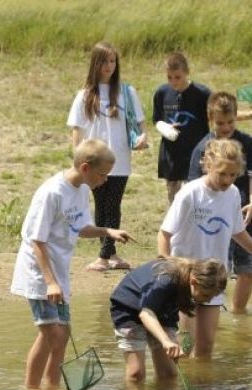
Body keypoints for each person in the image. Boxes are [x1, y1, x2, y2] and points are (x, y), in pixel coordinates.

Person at [10, 138, 135, 390]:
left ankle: (52, 388)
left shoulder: (81, 190)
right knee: (50, 334)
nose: (106, 180)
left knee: (63, 335)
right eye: (103, 174)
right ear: (86, 168)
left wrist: (107, 231)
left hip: (58, 272)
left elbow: (81, 228)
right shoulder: (52, 192)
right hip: (39, 273)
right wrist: (51, 282)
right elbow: (37, 241)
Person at [158, 138, 252, 358]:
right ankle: (179, 386)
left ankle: (204, 388)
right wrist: (168, 263)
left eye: (233, 175)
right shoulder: (190, 193)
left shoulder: (233, 193)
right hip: (187, 279)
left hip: (214, 279)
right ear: (208, 165)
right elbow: (165, 233)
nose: (227, 180)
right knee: (185, 347)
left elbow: (237, 231)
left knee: (206, 347)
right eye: (222, 173)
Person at [67, 41, 148, 272]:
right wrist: (77, 158)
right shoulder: (84, 95)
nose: (109, 66)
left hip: (119, 159)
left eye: (112, 61)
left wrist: (142, 138)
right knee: (101, 206)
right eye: (104, 61)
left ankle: (104, 256)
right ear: (95, 63)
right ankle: (109, 254)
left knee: (113, 205)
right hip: (93, 161)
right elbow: (77, 130)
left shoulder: (127, 92)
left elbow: (140, 124)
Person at [188, 91, 252, 314]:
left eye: (230, 122)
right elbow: (192, 186)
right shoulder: (204, 147)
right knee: (219, 271)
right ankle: (213, 311)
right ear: (211, 119)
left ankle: (238, 313)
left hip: (245, 215)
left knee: (249, 268)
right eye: (220, 123)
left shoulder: (247, 142)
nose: (226, 127)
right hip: (213, 221)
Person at [153, 53, 252, 204]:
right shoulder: (162, 93)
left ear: (187, 72)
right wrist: (165, 127)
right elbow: (157, 120)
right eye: (169, 77)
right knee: (177, 202)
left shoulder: (201, 93)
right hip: (173, 157)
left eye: (177, 77)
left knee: (200, 200)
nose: (173, 82)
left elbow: (221, 113)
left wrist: (249, 114)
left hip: (199, 154)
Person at [110, 257, 227, 383]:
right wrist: (166, 341)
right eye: (206, 295)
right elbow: (146, 314)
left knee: (169, 373)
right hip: (129, 309)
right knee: (136, 374)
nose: (208, 300)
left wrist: (173, 342)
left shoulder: (188, 285)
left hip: (162, 312)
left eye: (212, 297)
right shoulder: (166, 279)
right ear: (193, 281)